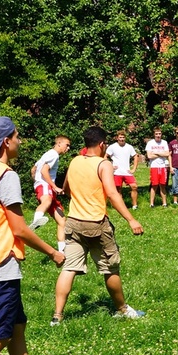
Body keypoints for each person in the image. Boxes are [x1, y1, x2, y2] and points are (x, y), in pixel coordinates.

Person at [0, 117, 65, 355]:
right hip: (1, 263)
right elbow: (19, 228)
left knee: (16, 329)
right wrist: (52, 251)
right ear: (6, 141)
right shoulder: (6, 176)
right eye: (16, 136)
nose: (19, 140)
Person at [52, 127, 144, 326]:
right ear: (102, 144)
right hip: (96, 224)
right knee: (110, 268)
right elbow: (112, 194)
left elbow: (67, 189)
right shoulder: (104, 164)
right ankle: (122, 309)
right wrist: (131, 219)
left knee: (69, 268)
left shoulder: (75, 160)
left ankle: (57, 316)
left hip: (73, 223)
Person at [30, 135, 71, 252]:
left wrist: (35, 183)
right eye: (66, 145)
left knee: (62, 220)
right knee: (46, 200)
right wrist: (54, 186)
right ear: (59, 143)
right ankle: (37, 219)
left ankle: (62, 250)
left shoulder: (47, 154)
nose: (68, 148)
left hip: (43, 185)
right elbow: (44, 171)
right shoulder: (53, 155)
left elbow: (33, 169)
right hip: (46, 185)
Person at [106, 130, 139, 210]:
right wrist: (110, 166)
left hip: (127, 172)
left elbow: (135, 156)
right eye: (120, 137)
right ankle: (120, 206)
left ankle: (134, 205)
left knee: (134, 186)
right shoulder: (112, 147)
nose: (122, 139)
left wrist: (133, 168)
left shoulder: (129, 147)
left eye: (123, 137)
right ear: (117, 138)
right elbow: (105, 157)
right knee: (118, 189)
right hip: (117, 172)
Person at [145, 128, 170, 208]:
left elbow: (167, 154)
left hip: (163, 167)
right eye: (156, 134)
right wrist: (161, 154)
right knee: (154, 185)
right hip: (154, 167)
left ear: (161, 134)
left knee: (163, 185)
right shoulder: (150, 143)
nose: (158, 135)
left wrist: (155, 152)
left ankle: (164, 203)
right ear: (154, 134)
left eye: (159, 134)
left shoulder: (164, 142)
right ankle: (152, 203)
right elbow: (149, 156)